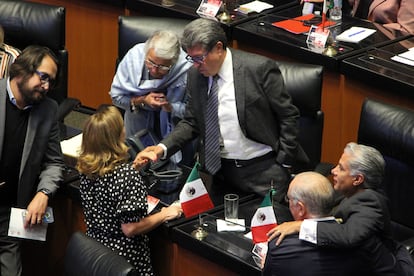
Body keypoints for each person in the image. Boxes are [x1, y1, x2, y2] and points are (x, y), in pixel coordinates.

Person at [134, 18, 308, 202]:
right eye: (191, 59)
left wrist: (284, 162)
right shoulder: (196, 75)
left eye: (199, 58)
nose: (195, 65)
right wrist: (161, 148)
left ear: (218, 48)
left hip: (263, 171)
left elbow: (288, 116)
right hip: (218, 172)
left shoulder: (258, 69)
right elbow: (191, 122)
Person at [268, 142, 414, 275]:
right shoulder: (350, 194)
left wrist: (301, 225)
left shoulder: (371, 202)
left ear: (357, 179)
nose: (333, 171)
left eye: (341, 168)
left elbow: (348, 236)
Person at [76, 105, 183, 274]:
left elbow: (109, 186)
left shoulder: (86, 168)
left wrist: (133, 167)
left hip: (97, 256)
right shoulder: (126, 176)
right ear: (117, 136)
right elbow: (131, 228)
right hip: (125, 260)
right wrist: (165, 213)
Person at [0, 45, 65, 275]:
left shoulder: (48, 110)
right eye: (43, 77)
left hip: (9, 216)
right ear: (22, 71)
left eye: (51, 81)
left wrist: (43, 193)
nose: (47, 86)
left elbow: (55, 163)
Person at [110, 30, 193, 165]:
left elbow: (193, 114)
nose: (154, 71)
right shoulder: (134, 57)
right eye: (150, 63)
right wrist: (141, 101)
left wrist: (170, 107)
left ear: (174, 60)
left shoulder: (187, 69)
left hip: (175, 135)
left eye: (162, 67)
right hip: (136, 129)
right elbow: (116, 97)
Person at [263, 171, 371, 275]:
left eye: (289, 199)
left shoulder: (279, 248)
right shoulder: (357, 239)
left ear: (301, 208)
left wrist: (268, 263)